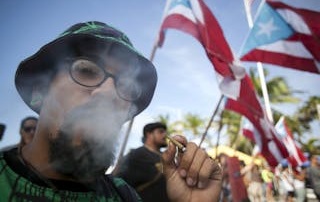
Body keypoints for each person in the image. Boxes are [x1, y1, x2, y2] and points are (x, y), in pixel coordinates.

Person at [0, 21, 222, 201]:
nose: (110, 94)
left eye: (126, 86)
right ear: (41, 89)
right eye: (86, 70)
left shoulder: (124, 196)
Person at [115, 122, 169, 202]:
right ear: (149, 134)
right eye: (161, 132)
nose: (165, 135)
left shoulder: (166, 156)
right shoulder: (135, 155)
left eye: (165, 132)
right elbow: (117, 183)